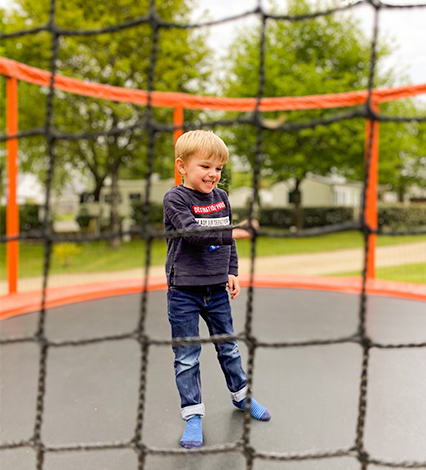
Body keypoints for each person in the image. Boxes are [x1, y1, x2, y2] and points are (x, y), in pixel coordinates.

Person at [163, 130, 270, 449]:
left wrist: (232, 270)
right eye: (205, 166)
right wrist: (236, 233)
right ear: (182, 166)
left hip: (216, 289)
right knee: (187, 355)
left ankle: (242, 398)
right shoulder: (176, 198)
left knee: (229, 347)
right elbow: (193, 234)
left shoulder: (221, 198)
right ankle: (193, 416)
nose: (213, 174)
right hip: (183, 290)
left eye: (219, 168)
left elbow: (226, 238)